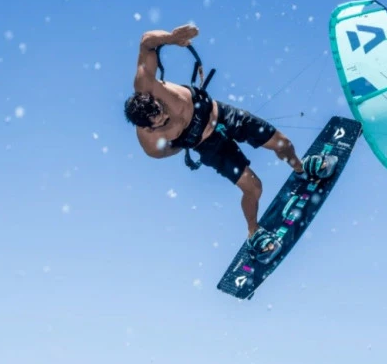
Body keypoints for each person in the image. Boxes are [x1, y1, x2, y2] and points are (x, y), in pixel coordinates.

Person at [123, 24, 337, 263]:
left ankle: (301, 168)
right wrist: (187, 142)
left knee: (282, 143)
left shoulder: (145, 84)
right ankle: (253, 232)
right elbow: (161, 153)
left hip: (223, 115)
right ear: (149, 128)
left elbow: (146, 41)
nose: (166, 116)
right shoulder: (150, 143)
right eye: (162, 121)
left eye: (162, 109)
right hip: (209, 146)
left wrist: (171, 38)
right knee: (253, 187)